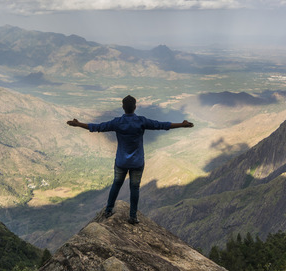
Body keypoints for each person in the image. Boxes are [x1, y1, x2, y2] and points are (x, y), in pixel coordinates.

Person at [67, 95, 193, 224]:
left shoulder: (117, 122)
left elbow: (98, 127)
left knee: (116, 184)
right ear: (135, 107)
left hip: (121, 161)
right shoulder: (141, 121)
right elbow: (161, 125)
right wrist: (182, 125)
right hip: (137, 162)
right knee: (135, 188)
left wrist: (78, 124)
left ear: (123, 107)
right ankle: (133, 217)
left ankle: (108, 210)